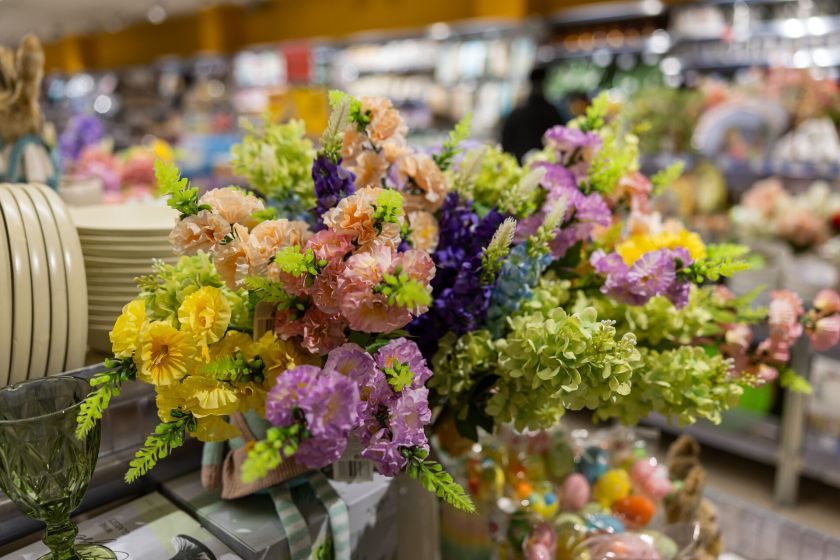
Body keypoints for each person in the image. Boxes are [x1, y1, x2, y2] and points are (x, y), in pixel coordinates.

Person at [501, 65, 565, 162]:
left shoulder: (517, 112)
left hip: (521, 170)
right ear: (545, 83)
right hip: (547, 170)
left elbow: (506, 144)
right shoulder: (552, 112)